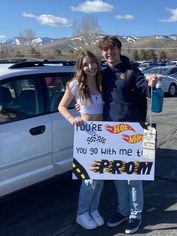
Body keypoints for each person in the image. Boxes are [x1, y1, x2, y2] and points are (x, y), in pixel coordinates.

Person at [97, 36, 157, 234]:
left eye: (112, 49)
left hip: (133, 131)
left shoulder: (132, 71)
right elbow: (89, 92)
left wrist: (151, 82)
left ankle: (135, 214)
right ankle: (122, 210)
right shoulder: (102, 72)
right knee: (117, 175)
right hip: (109, 132)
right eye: (105, 50)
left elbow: (145, 88)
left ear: (119, 49)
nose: (109, 53)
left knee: (133, 176)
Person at [58, 50, 104, 230]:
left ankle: (94, 209)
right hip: (87, 135)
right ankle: (82, 213)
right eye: (85, 64)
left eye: (92, 63)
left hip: (104, 134)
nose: (90, 67)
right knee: (89, 177)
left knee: (101, 176)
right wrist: (72, 118)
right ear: (81, 67)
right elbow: (61, 106)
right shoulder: (75, 84)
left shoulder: (103, 82)